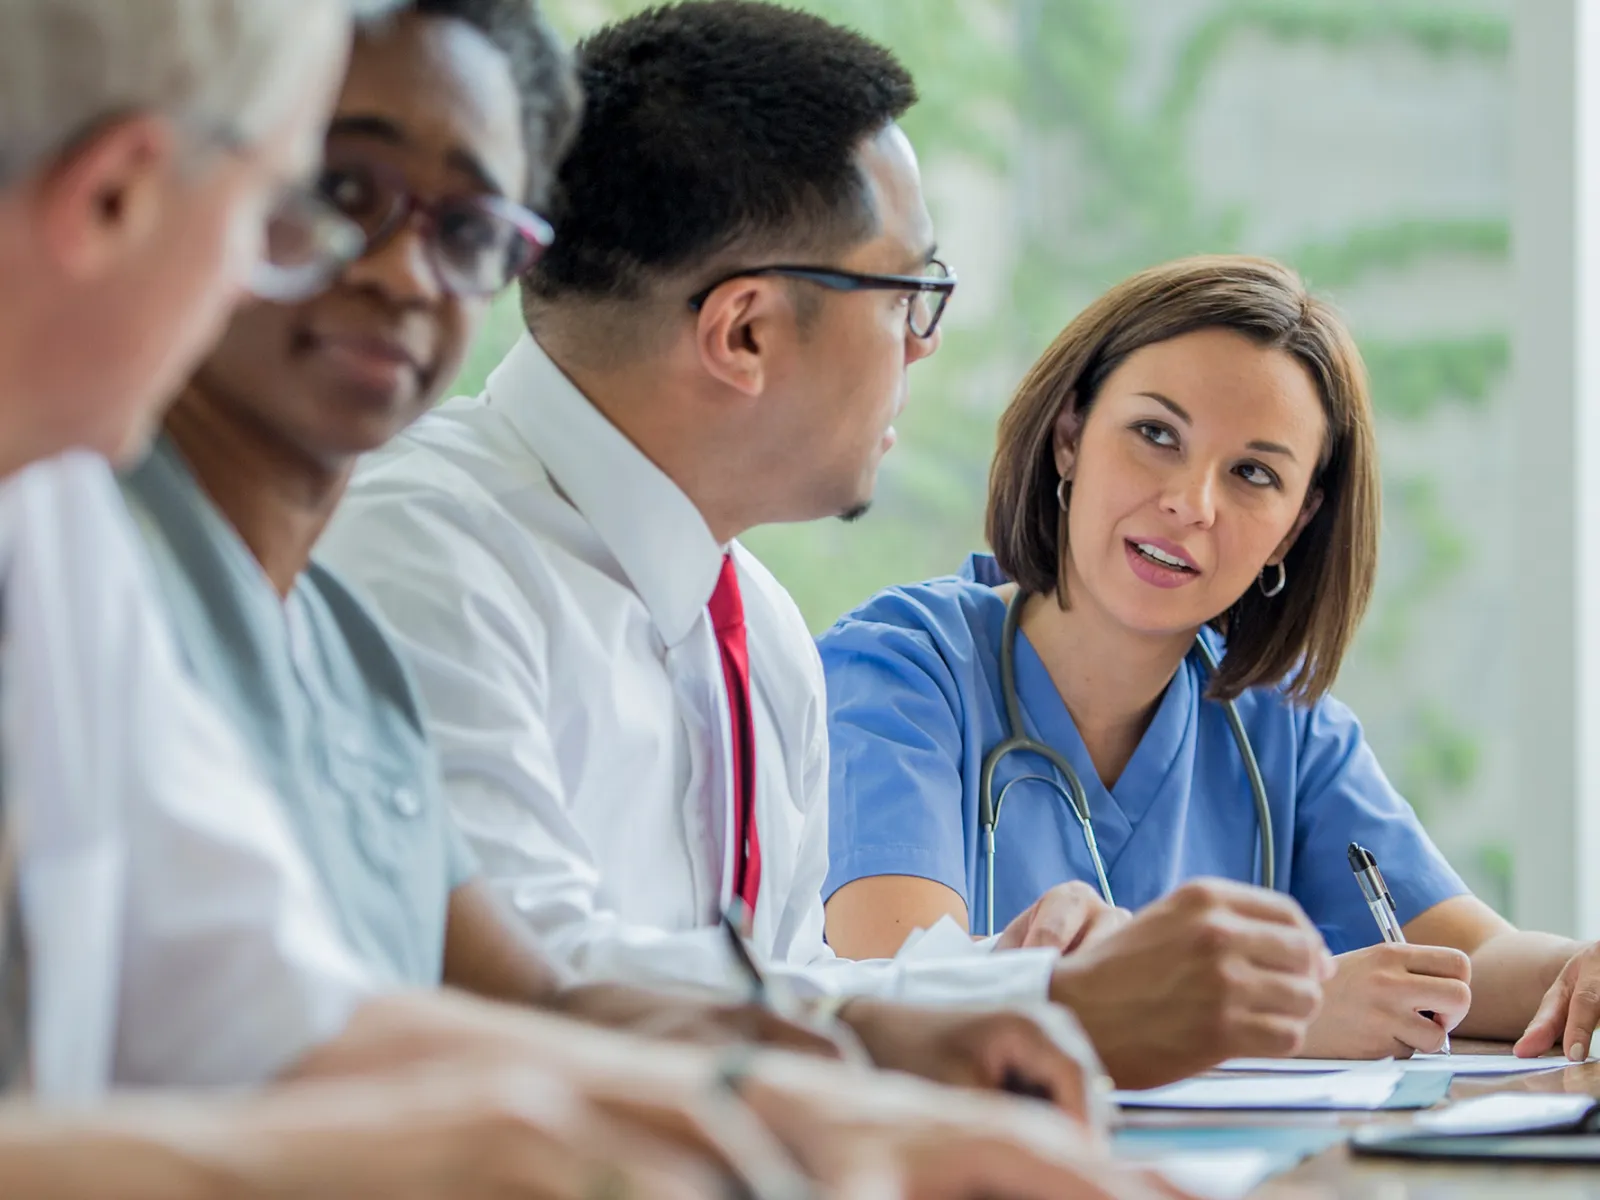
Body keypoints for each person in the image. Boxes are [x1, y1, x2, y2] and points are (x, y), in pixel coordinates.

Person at [0, 2, 1186, 1197]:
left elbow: (311, 1012)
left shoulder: (154, 568)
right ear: (124, 194)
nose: (398, 273)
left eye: (467, 229)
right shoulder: (395, 549)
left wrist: (817, 1087)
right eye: (326, 193)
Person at [320, 0, 1331, 1091]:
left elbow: (781, 987)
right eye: (909, 296)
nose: (922, 348)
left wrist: (1010, 973)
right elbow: (529, 989)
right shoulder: (417, 558)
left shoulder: (751, 622)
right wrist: (1051, 1006)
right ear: (745, 332)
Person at [819, 253, 1600, 1065]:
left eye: (1253, 473)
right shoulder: (902, 671)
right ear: (1069, 438)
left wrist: (1576, 970)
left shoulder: (1281, 726)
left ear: (1294, 528)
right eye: (1156, 434)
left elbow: (1465, 964)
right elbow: (891, 991)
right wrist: (1275, 1016)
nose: (1190, 505)